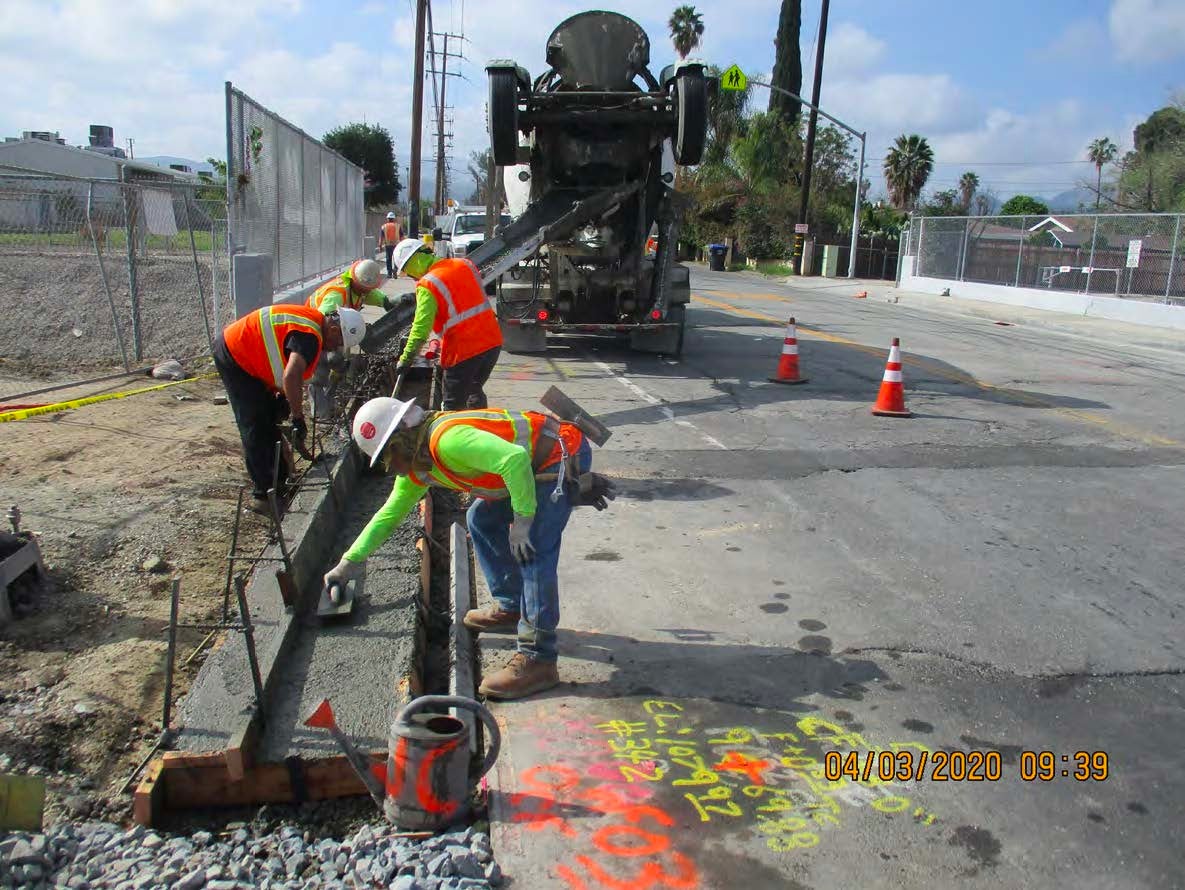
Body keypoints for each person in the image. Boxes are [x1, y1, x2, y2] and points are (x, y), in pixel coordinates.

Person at [322, 397, 615, 700]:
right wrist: (348, 564)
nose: (391, 467)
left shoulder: (447, 442)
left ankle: (538, 658)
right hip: (529, 462)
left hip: (556, 454)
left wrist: (523, 521)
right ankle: (511, 606)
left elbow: (514, 459)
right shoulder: (419, 467)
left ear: (405, 435)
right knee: (480, 519)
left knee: (533, 550)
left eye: (389, 455)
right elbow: (388, 515)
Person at [214, 304, 366, 508]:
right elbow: (291, 375)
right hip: (235, 354)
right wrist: (298, 417)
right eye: (338, 342)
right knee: (256, 425)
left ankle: (279, 483)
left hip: (249, 354)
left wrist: (282, 398)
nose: (334, 348)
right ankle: (264, 497)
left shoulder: (312, 324)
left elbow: (280, 361)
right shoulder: (311, 336)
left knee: (269, 417)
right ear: (333, 329)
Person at [389, 238, 503, 411]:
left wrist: (406, 359)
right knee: (474, 391)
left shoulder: (428, 284)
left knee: (452, 406)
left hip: (463, 351)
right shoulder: (465, 264)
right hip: (491, 343)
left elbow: (420, 329)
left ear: (413, 263)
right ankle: (482, 425)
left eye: (408, 272)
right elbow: (462, 300)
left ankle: (454, 434)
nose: (412, 278)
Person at [307, 259, 399, 315]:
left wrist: (387, 301)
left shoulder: (361, 289)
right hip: (310, 324)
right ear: (355, 281)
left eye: (369, 289)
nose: (367, 292)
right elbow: (322, 319)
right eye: (365, 289)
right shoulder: (337, 295)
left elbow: (373, 295)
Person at [379, 212, 404, 277]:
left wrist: (380, 245)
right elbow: (401, 236)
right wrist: (403, 244)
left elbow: (381, 237)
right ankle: (395, 270)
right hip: (397, 245)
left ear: (388, 219)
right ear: (394, 219)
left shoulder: (384, 226)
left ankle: (389, 273)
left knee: (388, 259)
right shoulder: (398, 226)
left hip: (388, 245)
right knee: (397, 258)